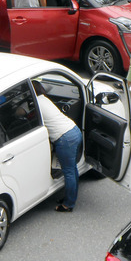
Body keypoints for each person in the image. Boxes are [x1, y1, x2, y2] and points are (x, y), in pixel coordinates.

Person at [32, 81, 83, 213]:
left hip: (65, 138)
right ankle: (70, 197)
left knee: (69, 171)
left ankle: (68, 204)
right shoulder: (44, 99)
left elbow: (21, 113)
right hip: (74, 130)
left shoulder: (35, 102)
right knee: (72, 169)